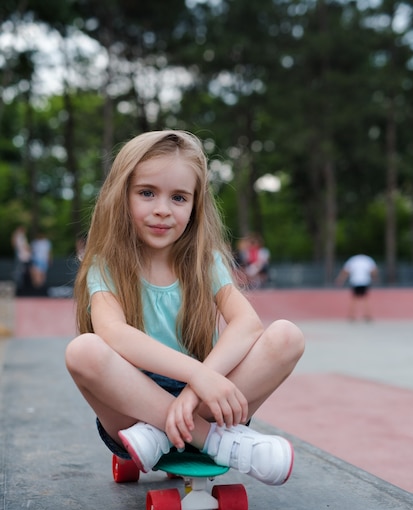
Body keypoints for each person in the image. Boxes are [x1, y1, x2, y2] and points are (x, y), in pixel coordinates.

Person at [65, 130, 305, 486]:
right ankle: (216, 442)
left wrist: (198, 384)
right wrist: (199, 375)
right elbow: (112, 332)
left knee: (288, 336)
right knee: (83, 351)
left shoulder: (203, 262)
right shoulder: (107, 264)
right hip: (132, 405)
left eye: (178, 197)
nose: (162, 209)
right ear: (122, 195)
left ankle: (162, 432)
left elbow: (247, 324)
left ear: (195, 206)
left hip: (208, 397)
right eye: (147, 193)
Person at [336, 254, 379, 321]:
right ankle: (367, 315)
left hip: (355, 281)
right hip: (364, 281)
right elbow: (373, 270)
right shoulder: (368, 259)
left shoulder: (352, 259)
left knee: (354, 299)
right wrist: (375, 278)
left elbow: (346, 270)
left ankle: (352, 315)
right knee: (365, 298)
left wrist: (340, 279)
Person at [11, 225, 31, 290]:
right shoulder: (19, 237)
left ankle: (21, 284)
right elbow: (15, 244)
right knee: (19, 271)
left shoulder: (22, 237)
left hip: (24, 256)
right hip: (21, 256)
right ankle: (18, 285)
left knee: (22, 270)